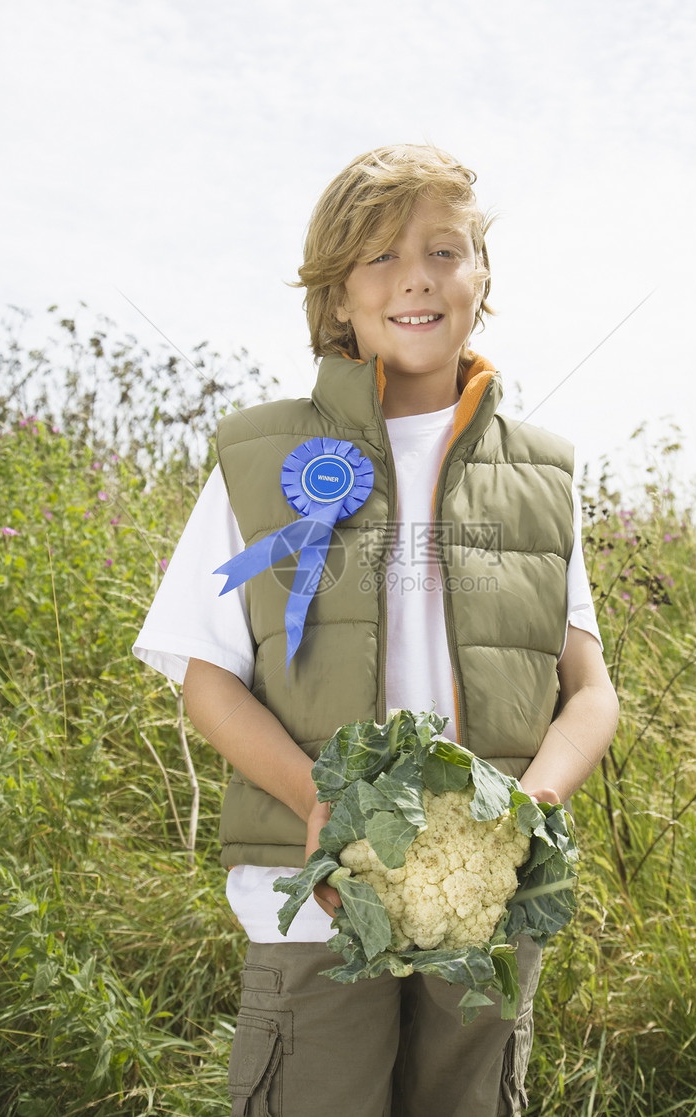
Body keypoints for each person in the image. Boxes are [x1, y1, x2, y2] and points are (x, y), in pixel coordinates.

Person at [133, 143, 619, 1117]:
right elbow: (208, 679)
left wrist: (522, 813)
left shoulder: (544, 474)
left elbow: (589, 691)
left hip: (484, 895)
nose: (416, 278)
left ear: (482, 277)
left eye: (445, 250)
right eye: (378, 257)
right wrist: (318, 807)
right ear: (336, 294)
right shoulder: (258, 456)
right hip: (312, 894)